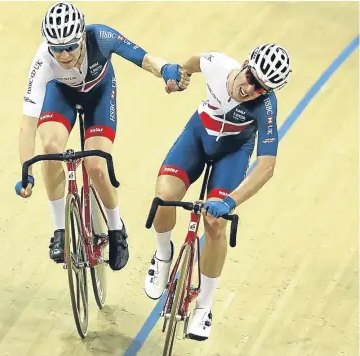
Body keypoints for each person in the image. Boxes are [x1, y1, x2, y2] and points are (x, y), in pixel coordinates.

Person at [15, 2, 190, 271]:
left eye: (70, 47)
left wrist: (166, 69)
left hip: (99, 95)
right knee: (50, 148)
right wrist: (26, 169)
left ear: (82, 36)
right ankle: (60, 231)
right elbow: (28, 124)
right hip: (62, 95)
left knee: (96, 165)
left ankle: (116, 229)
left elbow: (144, 58)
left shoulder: (101, 37)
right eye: (57, 49)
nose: (63, 55)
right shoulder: (43, 60)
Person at [144, 44, 291, 340]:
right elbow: (194, 60)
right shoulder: (218, 64)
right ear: (246, 64)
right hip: (198, 136)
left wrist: (230, 201)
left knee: (214, 225)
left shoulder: (266, 106)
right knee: (163, 197)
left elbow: (266, 166)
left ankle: (204, 306)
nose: (250, 89)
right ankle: (162, 256)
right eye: (251, 78)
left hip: (233, 154)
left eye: (261, 88)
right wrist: (180, 76)